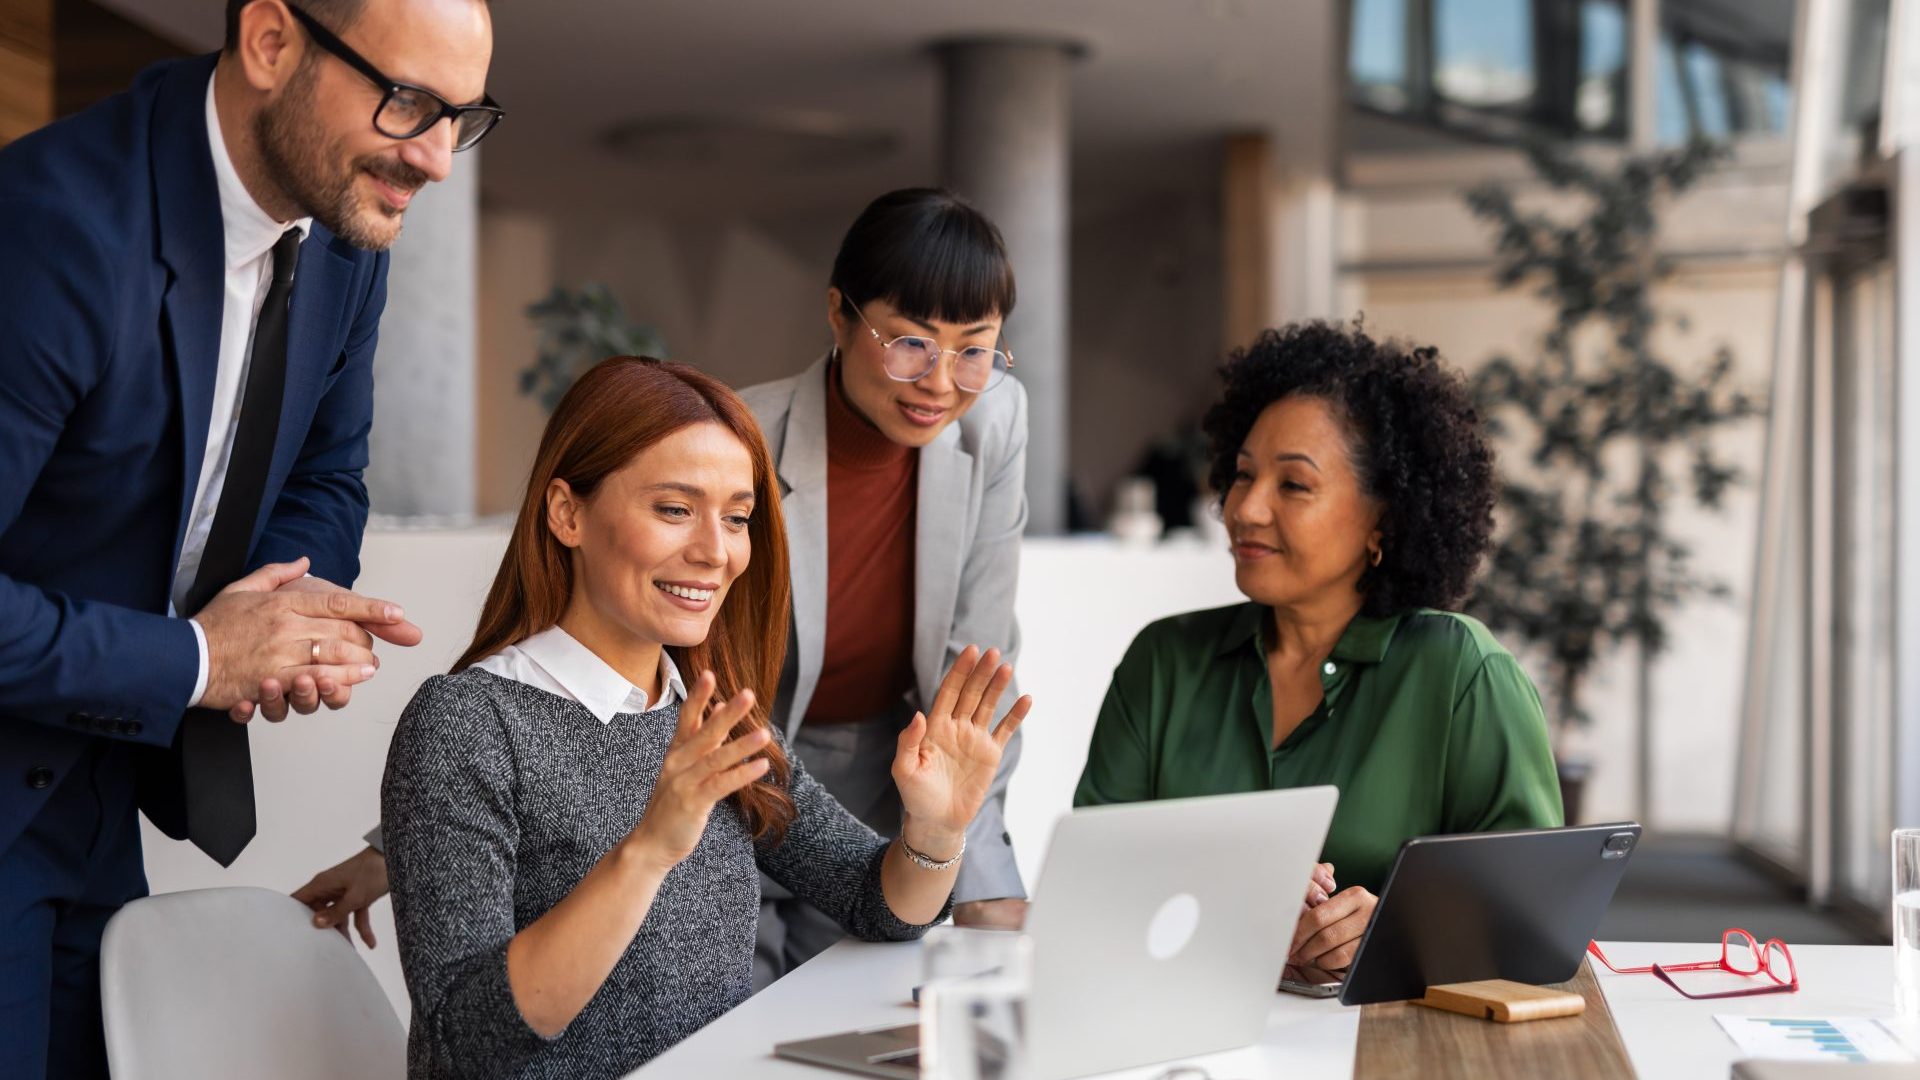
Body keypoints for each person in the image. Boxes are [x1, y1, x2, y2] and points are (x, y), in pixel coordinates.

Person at [300, 189, 1034, 982]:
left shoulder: (992, 423)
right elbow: (577, 714)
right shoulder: (727, 438)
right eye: (911, 344)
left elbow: (971, 690)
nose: (941, 381)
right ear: (840, 315)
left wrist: (965, 861)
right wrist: (405, 848)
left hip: (838, 777)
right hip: (724, 762)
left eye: (975, 352)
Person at [0, 0, 494, 1073]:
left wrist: (285, 612)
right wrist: (202, 659)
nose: (438, 161)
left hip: (98, 781)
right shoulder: (52, 229)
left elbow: (328, 472)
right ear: (272, 42)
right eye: (408, 103)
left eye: (462, 117)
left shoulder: (346, 238)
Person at [381, 356, 1030, 1078]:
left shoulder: (714, 716)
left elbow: (878, 904)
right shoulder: (466, 723)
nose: (715, 552)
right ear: (567, 513)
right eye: (674, 509)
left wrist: (936, 831)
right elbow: (464, 1043)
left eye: (737, 518)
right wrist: (650, 848)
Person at [1073, 320, 1563, 983]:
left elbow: (1532, 917)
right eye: (1242, 475)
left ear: (1382, 520)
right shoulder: (1164, 662)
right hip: (1185, 1037)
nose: (1244, 508)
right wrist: (1230, 890)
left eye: (1293, 485)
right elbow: (1093, 886)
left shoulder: (1463, 676)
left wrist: (1396, 930)